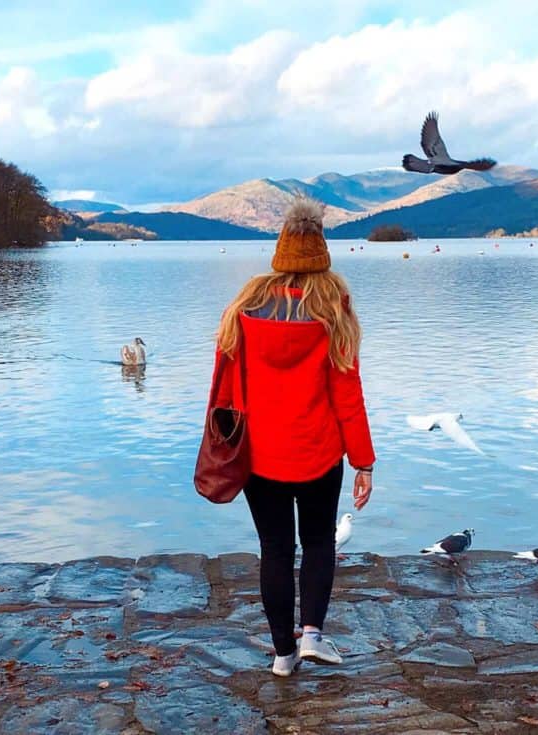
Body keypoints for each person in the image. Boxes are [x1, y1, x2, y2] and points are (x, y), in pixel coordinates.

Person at [211, 197, 376, 677]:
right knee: (319, 543)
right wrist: (363, 461)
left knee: (275, 551)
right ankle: (312, 639)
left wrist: (223, 445)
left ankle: (283, 655)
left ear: (279, 251)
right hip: (320, 453)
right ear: (321, 252)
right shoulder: (334, 308)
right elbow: (348, 393)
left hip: (259, 456)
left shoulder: (244, 305)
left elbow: (225, 386)